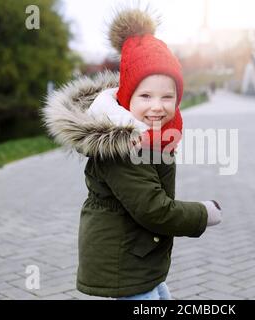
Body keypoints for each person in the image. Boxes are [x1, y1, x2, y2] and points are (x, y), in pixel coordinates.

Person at [41, 7, 223, 300]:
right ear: (127, 97)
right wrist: (204, 214)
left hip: (138, 257)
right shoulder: (124, 146)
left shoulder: (154, 136)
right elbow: (154, 209)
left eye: (167, 96)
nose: (157, 106)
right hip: (122, 264)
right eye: (146, 96)